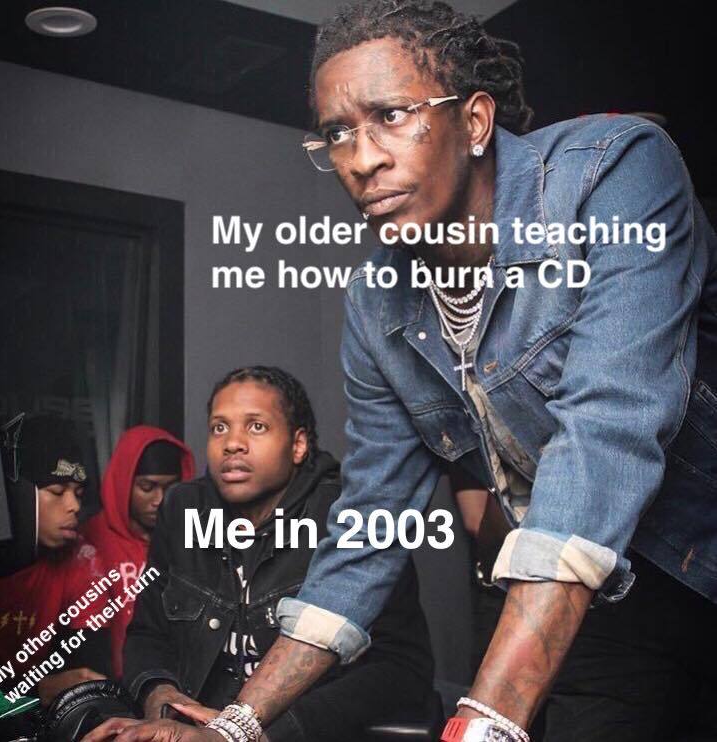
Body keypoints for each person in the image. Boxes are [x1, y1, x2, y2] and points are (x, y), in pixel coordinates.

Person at [78, 1, 717, 741]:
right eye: (337, 133)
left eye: (389, 116)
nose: (360, 159)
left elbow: (606, 435)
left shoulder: (616, 171)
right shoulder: (376, 301)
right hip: (587, 596)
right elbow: (368, 525)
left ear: (474, 121)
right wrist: (235, 728)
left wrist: (487, 719)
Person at [82, 366, 433, 742]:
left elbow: (401, 667)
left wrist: (262, 733)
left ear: (298, 445)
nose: (232, 443)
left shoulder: (349, 517)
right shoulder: (182, 509)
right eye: (219, 427)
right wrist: (162, 697)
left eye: (256, 426)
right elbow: (147, 634)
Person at [0, 414, 113, 707]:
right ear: (16, 495)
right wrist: (35, 691)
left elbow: (87, 673)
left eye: (78, 493)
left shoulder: (81, 560)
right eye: (57, 492)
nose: (74, 505)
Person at [83, 427, 195, 679]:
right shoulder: (88, 542)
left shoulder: (192, 540)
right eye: (147, 487)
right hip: (110, 685)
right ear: (124, 483)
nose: (159, 499)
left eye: (171, 487)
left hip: (172, 685)